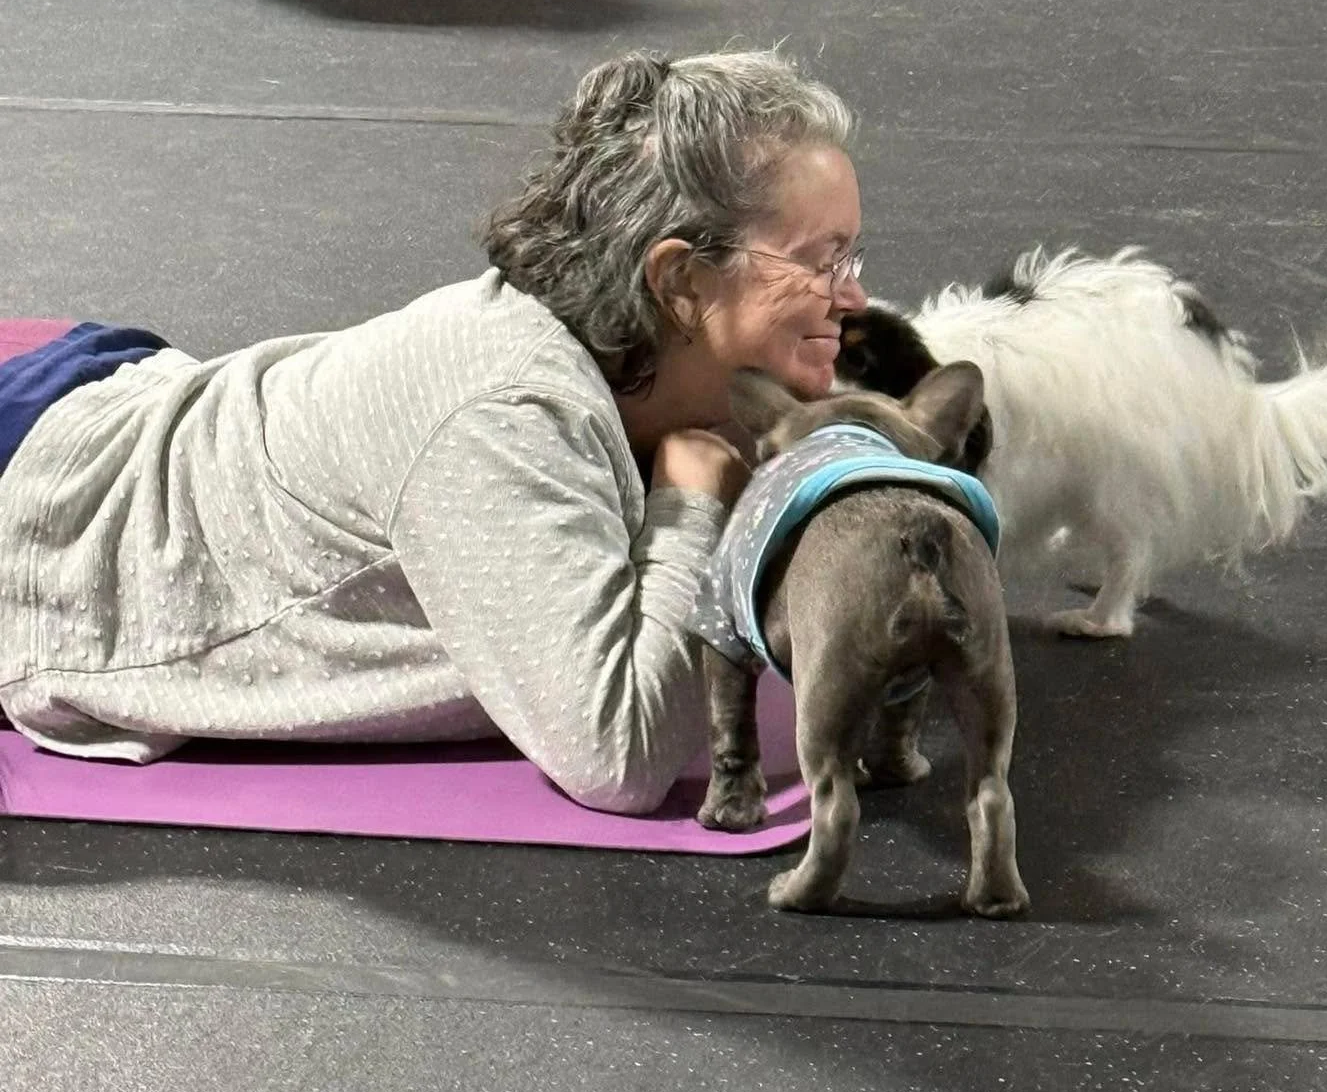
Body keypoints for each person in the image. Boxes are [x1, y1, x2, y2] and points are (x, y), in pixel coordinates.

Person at [0, 48, 867, 813]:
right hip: (45, 521)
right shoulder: (506, 417)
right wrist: (686, 500)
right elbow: (621, 755)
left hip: (112, 393)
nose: (854, 296)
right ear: (679, 281)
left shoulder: (628, 356)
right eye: (821, 260)